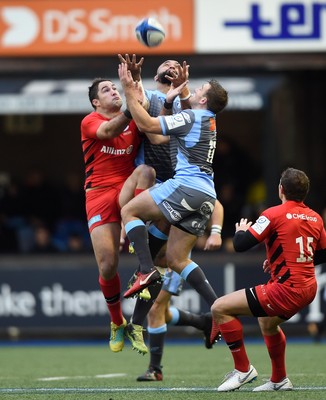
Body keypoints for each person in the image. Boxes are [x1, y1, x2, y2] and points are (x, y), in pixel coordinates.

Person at [119, 56, 225, 364]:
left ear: (203, 98)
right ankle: (217, 308)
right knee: (178, 259)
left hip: (184, 187)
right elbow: (163, 132)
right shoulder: (206, 118)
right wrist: (179, 90)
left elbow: (150, 126)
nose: (194, 88)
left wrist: (128, 88)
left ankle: (144, 270)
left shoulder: (193, 116)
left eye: (199, 88)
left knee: (130, 212)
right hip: (206, 195)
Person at [210, 167, 326, 392]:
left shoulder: (273, 214)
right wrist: (283, 259)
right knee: (267, 322)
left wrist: (241, 230)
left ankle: (243, 370)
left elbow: (241, 245)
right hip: (307, 288)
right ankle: (279, 379)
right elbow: (321, 253)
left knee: (220, 308)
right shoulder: (315, 217)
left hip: (286, 289)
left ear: (280, 189)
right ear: (305, 193)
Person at [80, 77, 156, 353]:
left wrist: (137, 90)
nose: (113, 91)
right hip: (99, 193)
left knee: (147, 171)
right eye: (106, 90)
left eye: (115, 87)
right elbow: (109, 131)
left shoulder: (135, 120)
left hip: (128, 187)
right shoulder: (90, 121)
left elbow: (157, 132)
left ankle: (140, 247)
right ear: (96, 102)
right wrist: (130, 103)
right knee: (107, 263)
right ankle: (117, 322)